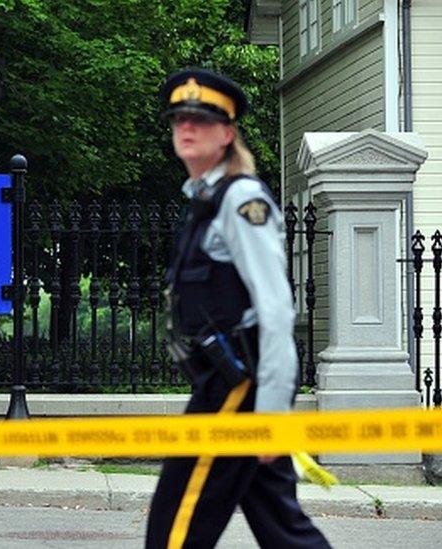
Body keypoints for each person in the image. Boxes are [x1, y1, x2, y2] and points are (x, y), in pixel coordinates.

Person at [144, 68, 330, 549]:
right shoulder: (204, 200)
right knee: (283, 528)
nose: (186, 128)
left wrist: (271, 414)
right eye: (179, 119)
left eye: (201, 121)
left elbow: (275, 310)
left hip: (236, 390)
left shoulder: (241, 199)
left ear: (227, 134)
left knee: (175, 528)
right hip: (225, 383)